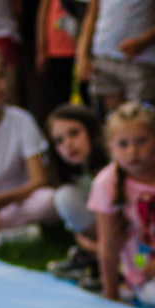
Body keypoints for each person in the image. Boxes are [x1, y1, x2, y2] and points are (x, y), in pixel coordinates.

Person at [88, 101, 155, 306]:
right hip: (147, 280)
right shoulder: (107, 183)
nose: (132, 151)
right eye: (123, 144)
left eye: (141, 141)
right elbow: (108, 244)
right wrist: (111, 294)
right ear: (110, 147)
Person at [0, 50, 59, 242]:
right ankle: (13, 235)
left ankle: (3, 232)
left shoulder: (22, 120)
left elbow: (39, 180)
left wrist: (0, 201)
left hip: (16, 200)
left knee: (48, 201)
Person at [45, 104, 110, 286]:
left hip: (127, 238)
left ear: (92, 130)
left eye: (74, 133)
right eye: (59, 141)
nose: (68, 144)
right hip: (103, 241)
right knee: (63, 196)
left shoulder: (112, 168)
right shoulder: (76, 177)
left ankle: (103, 257)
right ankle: (96, 257)